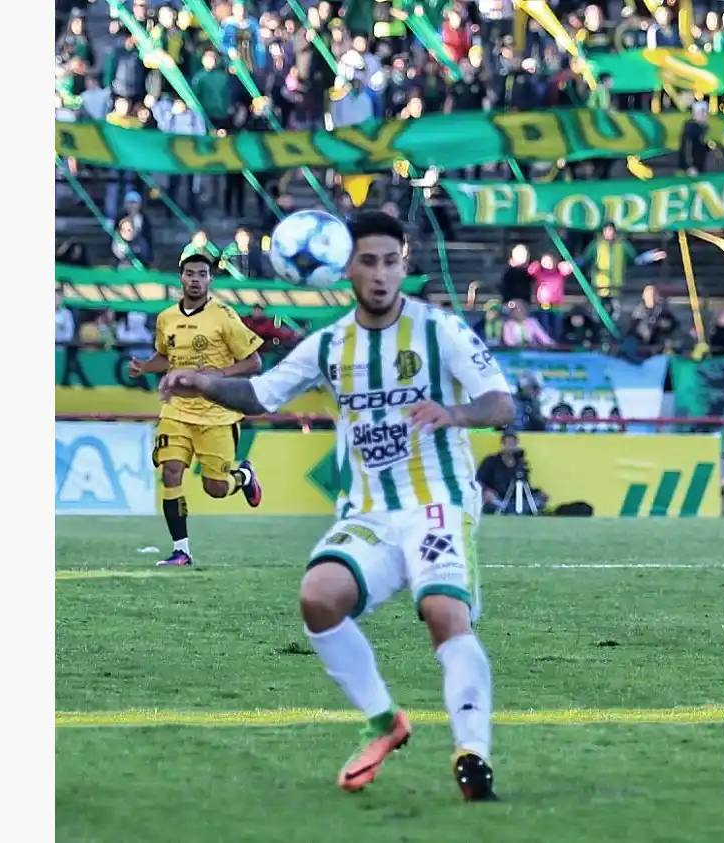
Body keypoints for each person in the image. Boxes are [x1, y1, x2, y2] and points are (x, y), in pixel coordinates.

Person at [156, 212, 515, 801]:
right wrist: (203, 381)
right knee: (318, 598)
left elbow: (500, 402)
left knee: (443, 616)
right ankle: (383, 720)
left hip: (437, 502)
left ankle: (473, 756)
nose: (380, 274)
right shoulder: (330, 344)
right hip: (368, 512)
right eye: (368, 262)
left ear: (404, 265)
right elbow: (261, 395)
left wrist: (457, 414)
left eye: (391, 261)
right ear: (346, 268)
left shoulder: (439, 330)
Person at [128, 253, 265, 567]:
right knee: (171, 470)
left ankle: (243, 477)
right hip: (176, 409)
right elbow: (167, 357)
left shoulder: (224, 316)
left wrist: (220, 375)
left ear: (209, 279)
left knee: (215, 488)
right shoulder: (166, 318)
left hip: (216, 413)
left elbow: (254, 362)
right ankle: (182, 551)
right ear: (181, 277)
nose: (195, 279)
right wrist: (146, 367)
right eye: (189, 273)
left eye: (201, 274)